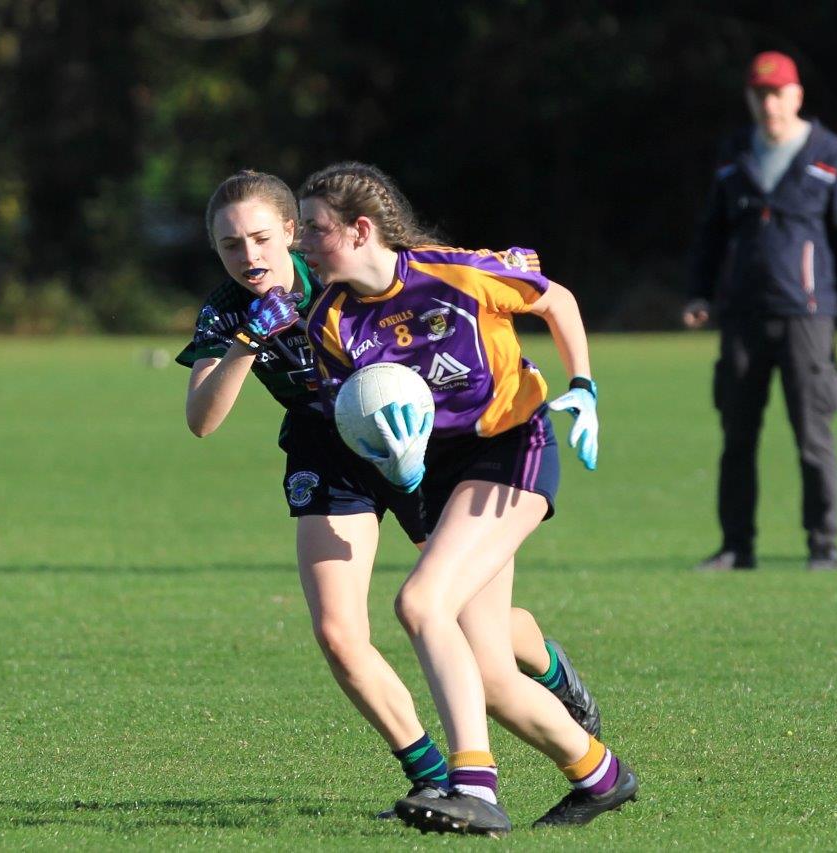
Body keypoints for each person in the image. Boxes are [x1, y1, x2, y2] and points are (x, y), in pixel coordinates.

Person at [178, 170, 602, 819]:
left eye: (261, 237)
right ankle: (434, 776)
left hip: (419, 437)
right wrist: (246, 342)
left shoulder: (338, 262)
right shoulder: (230, 309)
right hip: (330, 453)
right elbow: (202, 419)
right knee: (339, 631)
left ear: (292, 231)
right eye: (230, 245)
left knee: (468, 616)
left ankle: (546, 665)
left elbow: (443, 294)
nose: (249, 256)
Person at [299, 162, 638, 835]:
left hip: (513, 444)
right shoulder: (329, 323)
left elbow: (555, 300)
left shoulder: (455, 273)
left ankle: (474, 786)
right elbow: (362, 422)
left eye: (315, 229)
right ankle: (601, 774)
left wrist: (585, 385)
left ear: (362, 229)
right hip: (444, 467)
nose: (301, 243)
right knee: (485, 667)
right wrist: (398, 470)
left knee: (421, 603)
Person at [684, 51, 837, 572]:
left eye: (778, 93)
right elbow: (711, 233)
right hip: (742, 316)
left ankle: (823, 546)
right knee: (737, 436)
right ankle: (736, 546)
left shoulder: (832, 154)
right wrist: (699, 293)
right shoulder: (734, 155)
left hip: (808, 317)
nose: (769, 103)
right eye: (760, 94)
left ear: (797, 96)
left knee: (813, 436)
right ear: (751, 98)